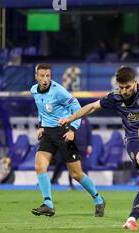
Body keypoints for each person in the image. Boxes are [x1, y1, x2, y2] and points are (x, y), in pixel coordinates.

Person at [59, 66, 139, 231]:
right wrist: (70, 118)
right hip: (134, 139)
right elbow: (91, 107)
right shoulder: (115, 97)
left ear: (135, 82)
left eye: (127, 87)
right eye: (121, 87)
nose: (124, 91)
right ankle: (131, 219)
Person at [30, 63, 105, 217]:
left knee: (76, 174)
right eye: (42, 76)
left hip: (63, 132)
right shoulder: (33, 90)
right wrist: (41, 126)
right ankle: (48, 204)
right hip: (48, 134)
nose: (45, 79)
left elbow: (77, 108)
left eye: (48, 76)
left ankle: (98, 199)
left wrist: (72, 129)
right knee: (39, 165)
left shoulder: (59, 91)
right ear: (36, 77)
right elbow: (41, 109)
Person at [51, 117, 93, 191]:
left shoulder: (85, 120)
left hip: (83, 146)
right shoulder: (69, 119)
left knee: (84, 166)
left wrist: (89, 145)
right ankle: (70, 184)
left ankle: (87, 185)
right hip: (72, 145)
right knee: (71, 166)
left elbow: (89, 133)